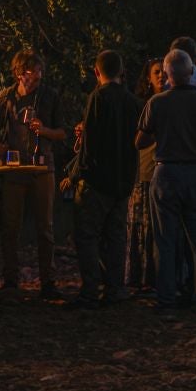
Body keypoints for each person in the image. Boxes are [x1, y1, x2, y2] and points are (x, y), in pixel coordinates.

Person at [136, 50, 196, 313]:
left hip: (166, 173)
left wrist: (164, 134)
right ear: (191, 73)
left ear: (167, 75)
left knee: (165, 242)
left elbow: (140, 141)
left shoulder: (156, 103)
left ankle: (166, 300)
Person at [0, 48, 64, 299]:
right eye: (30, 72)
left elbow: (62, 132)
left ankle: (48, 282)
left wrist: (43, 130)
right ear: (19, 73)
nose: (36, 77)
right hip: (14, 168)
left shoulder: (49, 97)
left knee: (45, 227)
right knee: (10, 226)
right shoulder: (6, 97)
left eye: (39, 72)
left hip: (43, 168)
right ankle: (11, 280)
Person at [72, 50, 140, 308]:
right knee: (115, 235)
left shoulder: (97, 98)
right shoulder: (133, 102)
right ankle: (115, 287)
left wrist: (82, 173)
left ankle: (91, 289)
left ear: (96, 72)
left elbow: (91, 142)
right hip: (123, 180)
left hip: (98, 179)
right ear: (121, 71)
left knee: (87, 235)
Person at [126, 58, 168, 295]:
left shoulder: (171, 103)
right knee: (141, 225)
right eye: (156, 72)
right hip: (143, 169)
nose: (161, 76)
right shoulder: (143, 106)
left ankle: (156, 276)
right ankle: (139, 276)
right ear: (149, 78)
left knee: (157, 227)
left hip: (163, 172)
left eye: (163, 72)